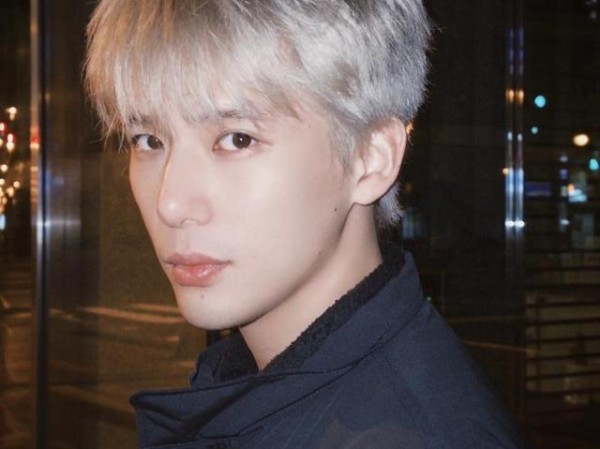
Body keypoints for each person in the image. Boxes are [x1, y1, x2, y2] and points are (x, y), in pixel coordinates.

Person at [85, 1, 525, 447]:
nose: (171, 203)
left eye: (238, 139)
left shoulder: (404, 435)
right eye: (148, 140)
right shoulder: (262, 386)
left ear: (371, 157)